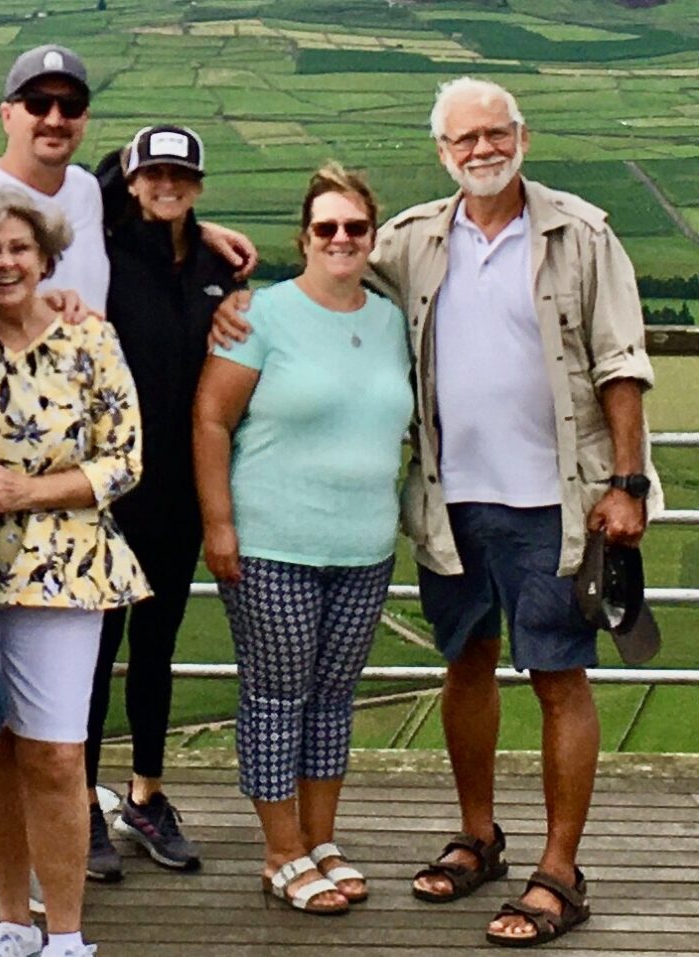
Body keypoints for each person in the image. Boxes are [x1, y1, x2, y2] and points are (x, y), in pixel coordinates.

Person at [212, 76, 663, 947]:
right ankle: (479, 836)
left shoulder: (582, 231)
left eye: (496, 133)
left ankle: (561, 871)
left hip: (558, 505)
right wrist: (238, 296)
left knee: (559, 677)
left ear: (522, 137)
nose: (482, 149)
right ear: (443, 152)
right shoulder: (414, 237)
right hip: (450, 501)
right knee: (467, 661)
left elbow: (622, 361)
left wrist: (629, 483)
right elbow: (326, 269)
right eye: (465, 140)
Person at [0, 43, 258, 923]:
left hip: (91, 504)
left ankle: (82, 845)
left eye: (70, 103)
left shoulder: (89, 195)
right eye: (38, 102)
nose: (55, 117)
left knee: (65, 715)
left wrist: (213, 239)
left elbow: (147, 188)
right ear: (8, 111)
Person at [194, 163, 413, 915]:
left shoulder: (389, 320)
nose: (342, 238)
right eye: (327, 227)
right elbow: (211, 419)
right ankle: (280, 850)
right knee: (276, 696)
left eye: (355, 226)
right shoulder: (261, 316)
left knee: (332, 699)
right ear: (305, 237)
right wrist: (219, 523)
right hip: (271, 543)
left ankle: (321, 840)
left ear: (372, 237)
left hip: (364, 547)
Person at [0, 185, 150, 957]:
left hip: (68, 566)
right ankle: (12, 920)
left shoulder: (88, 338)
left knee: (58, 751)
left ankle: (66, 932)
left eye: (19, 249)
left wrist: (28, 489)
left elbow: (125, 458)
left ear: (46, 258)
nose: (4, 263)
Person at [82, 125, 240, 881]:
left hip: (179, 490)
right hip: (108, 495)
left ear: (198, 185)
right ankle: (79, 805)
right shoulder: (105, 254)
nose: (166, 186)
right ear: (134, 180)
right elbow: (86, 188)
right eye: (153, 174)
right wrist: (121, 173)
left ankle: (146, 794)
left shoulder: (216, 265)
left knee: (157, 648)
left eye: (181, 175)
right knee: (94, 651)